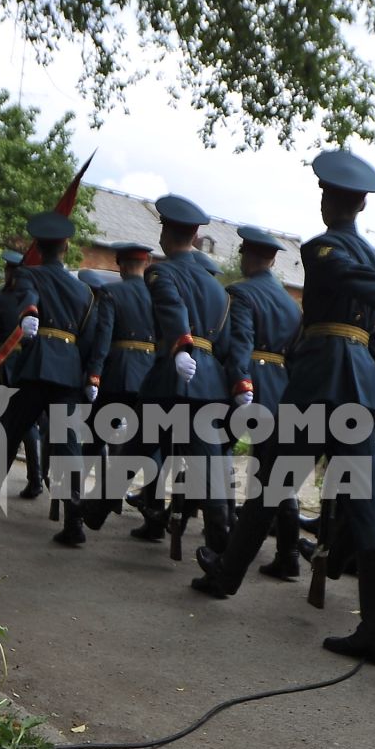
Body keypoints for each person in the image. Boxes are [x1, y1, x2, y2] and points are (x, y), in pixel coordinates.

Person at [192, 148, 375, 668]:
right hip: (360, 385)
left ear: (330, 199)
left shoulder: (324, 248)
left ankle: (225, 574)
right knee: (366, 507)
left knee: (272, 484)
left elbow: (362, 286)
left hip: (320, 379)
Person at [0, 212, 104, 545]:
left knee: (13, 422)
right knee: (68, 446)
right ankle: (74, 523)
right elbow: (88, 337)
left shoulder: (30, 274)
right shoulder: (84, 290)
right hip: (69, 370)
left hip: (39, 363)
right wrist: (89, 375)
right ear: (67, 246)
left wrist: (29, 316)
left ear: (39, 249)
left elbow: (29, 301)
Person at [139, 194, 234, 555]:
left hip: (173, 374)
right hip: (210, 382)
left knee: (135, 444)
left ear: (166, 233)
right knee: (208, 470)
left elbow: (170, 305)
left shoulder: (161, 270)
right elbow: (223, 342)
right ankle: (219, 546)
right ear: (195, 235)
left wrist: (181, 344)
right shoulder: (218, 288)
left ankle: (95, 510)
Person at [220, 225, 305, 578]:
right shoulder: (290, 302)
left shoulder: (241, 294)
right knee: (276, 474)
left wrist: (240, 380)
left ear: (248, 257)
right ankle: (288, 554)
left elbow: (240, 340)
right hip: (282, 387)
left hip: (248, 384)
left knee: (211, 453)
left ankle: (222, 535)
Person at [81, 239, 161, 532]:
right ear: (147, 264)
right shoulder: (159, 294)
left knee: (93, 442)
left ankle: (74, 508)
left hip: (118, 375)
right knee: (150, 449)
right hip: (151, 378)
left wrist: (94, 374)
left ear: (120, 265)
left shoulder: (111, 292)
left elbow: (103, 338)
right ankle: (153, 515)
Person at [0, 250, 48, 499]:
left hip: (0, 365)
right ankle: (35, 478)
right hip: (28, 367)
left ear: (10, 272)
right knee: (26, 425)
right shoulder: (39, 300)